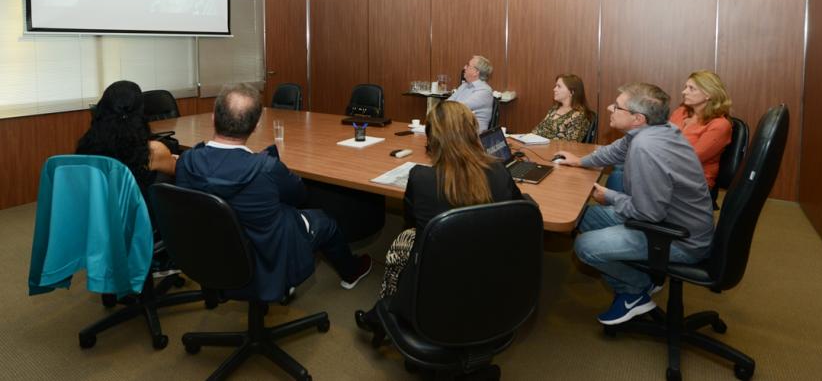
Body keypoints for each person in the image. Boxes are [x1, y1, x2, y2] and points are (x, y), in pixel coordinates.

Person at [175, 83, 372, 302]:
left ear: (213, 118)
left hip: (212, 252)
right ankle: (351, 271)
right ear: (256, 126)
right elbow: (299, 196)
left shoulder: (186, 161)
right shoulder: (265, 168)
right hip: (266, 253)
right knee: (325, 221)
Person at [355, 101, 525, 331]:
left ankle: (390, 310)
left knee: (403, 240)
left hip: (435, 275)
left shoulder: (421, 178)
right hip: (490, 269)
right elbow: (520, 211)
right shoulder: (499, 172)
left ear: (431, 139)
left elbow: (411, 221)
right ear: (473, 133)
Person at [554, 82, 712, 326]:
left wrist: (610, 197)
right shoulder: (659, 128)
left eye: (617, 107)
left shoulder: (646, 148)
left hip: (678, 237)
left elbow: (648, 213)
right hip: (667, 220)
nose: (610, 108)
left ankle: (634, 290)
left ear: (638, 119)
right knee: (582, 216)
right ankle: (642, 279)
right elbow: (615, 152)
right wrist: (580, 161)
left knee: (585, 247)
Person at [76, 80, 176, 196]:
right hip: (136, 207)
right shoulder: (153, 150)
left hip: (98, 204)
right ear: (140, 110)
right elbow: (178, 170)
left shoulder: (86, 146)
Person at [669, 70, 733, 189]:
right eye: (685, 87)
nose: (684, 92)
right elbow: (662, 139)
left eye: (691, 88)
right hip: (668, 171)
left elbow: (690, 158)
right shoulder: (681, 112)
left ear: (708, 94)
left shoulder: (720, 125)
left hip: (694, 181)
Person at [531, 74, 593, 141]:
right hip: (537, 145)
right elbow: (538, 130)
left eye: (559, 86)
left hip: (552, 147)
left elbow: (571, 143)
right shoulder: (555, 108)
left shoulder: (579, 116)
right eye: (555, 86)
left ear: (571, 92)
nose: (554, 89)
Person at [448, 55, 494, 132]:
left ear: (476, 72)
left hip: (473, 136)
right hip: (457, 131)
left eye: (468, 65)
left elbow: (458, 108)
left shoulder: (484, 91)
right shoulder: (464, 86)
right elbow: (448, 103)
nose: (464, 67)